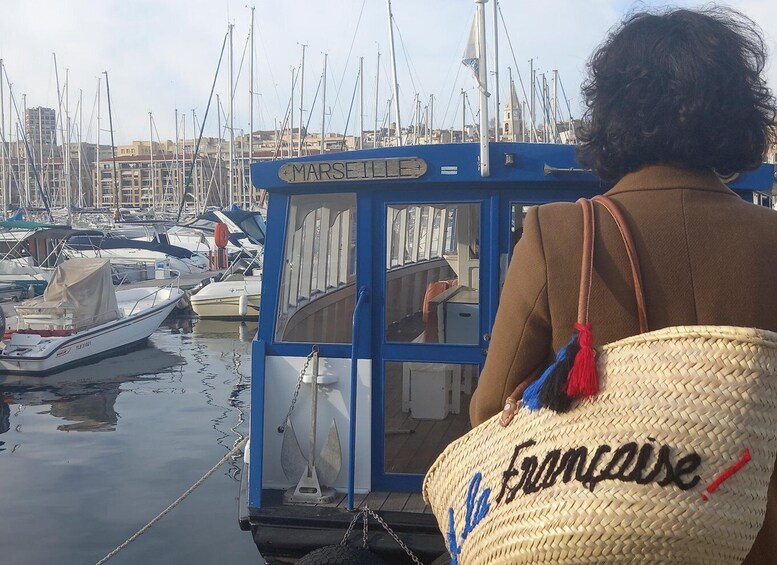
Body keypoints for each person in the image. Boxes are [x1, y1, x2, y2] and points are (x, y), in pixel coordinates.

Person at [468, 7, 777, 563]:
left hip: (596, 535)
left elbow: (491, 410)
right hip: (753, 542)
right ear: (738, 114)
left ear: (613, 111)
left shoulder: (556, 233)